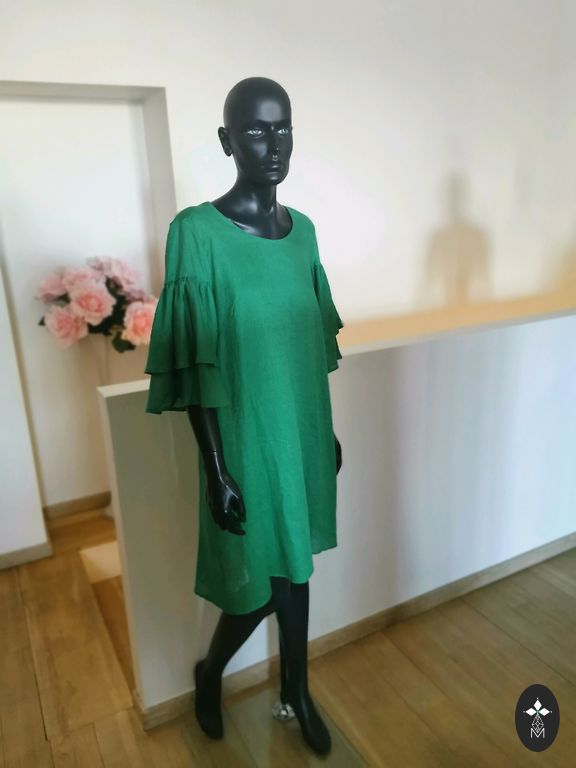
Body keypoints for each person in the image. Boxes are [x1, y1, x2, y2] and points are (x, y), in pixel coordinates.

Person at [144, 76, 344, 756]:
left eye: (282, 127)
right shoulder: (195, 233)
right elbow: (195, 358)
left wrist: (326, 431)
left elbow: (309, 345)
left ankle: (297, 692)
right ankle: (211, 672)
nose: (273, 143)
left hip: (301, 433)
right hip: (243, 441)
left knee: (297, 570)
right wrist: (216, 468)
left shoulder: (304, 232)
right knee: (260, 586)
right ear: (227, 141)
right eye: (256, 130)